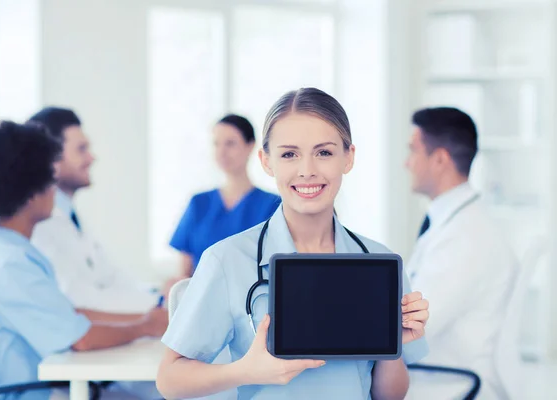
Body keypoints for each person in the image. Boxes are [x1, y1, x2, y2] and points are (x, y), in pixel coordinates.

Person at [156, 88, 430, 400]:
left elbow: (390, 397)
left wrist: (392, 345)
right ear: (267, 161)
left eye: (324, 152)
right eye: (289, 154)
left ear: (348, 157)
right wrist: (245, 371)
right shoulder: (227, 260)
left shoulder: (381, 264)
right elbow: (169, 380)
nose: (307, 170)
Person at [0, 121, 165, 400]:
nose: (54, 189)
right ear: (31, 194)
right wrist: (146, 326)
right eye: (48, 180)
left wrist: (148, 320)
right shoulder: (11, 265)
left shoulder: (1, 248)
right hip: (7, 394)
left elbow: (70, 316)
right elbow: (82, 339)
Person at [404, 107, 519, 399]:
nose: (407, 163)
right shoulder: (456, 223)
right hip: (434, 376)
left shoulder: (467, 237)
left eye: (413, 151)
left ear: (440, 159)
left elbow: (413, 328)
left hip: (448, 385)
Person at [29, 107, 163, 314]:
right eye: (81, 149)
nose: (91, 158)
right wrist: (157, 304)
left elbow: (111, 278)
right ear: (51, 159)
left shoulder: (71, 217)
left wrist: (160, 295)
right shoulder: (40, 225)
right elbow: (78, 298)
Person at [165, 114, 281, 293]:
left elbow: (274, 269)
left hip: (251, 300)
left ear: (250, 146)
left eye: (230, 143)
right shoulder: (199, 203)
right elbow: (184, 273)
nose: (221, 152)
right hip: (202, 300)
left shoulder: (272, 205)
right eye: (216, 144)